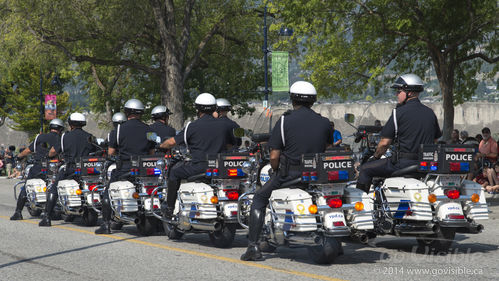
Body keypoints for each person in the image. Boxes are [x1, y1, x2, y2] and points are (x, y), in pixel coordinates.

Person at [240, 81, 333, 261]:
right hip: (316, 174)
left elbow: (274, 156)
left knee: (259, 198)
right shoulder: (324, 122)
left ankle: (253, 247)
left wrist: (276, 171)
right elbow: (327, 147)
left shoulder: (285, 121)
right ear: (313, 100)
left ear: (293, 99)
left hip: (290, 174)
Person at [356, 74, 442, 193]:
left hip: (403, 164)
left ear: (409, 92)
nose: (396, 94)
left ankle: (361, 208)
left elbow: (384, 143)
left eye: (399, 91)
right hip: (425, 164)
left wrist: (375, 157)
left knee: (366, 169)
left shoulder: (398, 113)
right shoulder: (430, 113)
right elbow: (435, 141)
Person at [159, 93, 236, 219]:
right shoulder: (224, 126)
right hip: (220, 167)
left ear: (198, 109)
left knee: (174, 172)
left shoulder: (192, 126)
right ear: (214, 108)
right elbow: (231, 145)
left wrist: (161, 146)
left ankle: (169, 208)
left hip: (199, 167)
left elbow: (172, 142)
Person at [95, 99, 156, 234]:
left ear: (127, 112)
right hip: (145, 168)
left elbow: (111, 152)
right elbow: (152, 153)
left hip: (125, 168)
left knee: (108, 192)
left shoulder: (117, 130)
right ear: (141, 113)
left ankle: (106, 224)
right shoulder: (150, 130)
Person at [39, 113, 96, 227]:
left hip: (71, 168)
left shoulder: (65, 136)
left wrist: (49, 155)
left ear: (70, 124)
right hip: (87, 168)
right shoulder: (90, 136)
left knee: (53, 189)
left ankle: (47, 217)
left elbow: (53, 151)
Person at [10, 119, 64, 220]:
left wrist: (19, 156)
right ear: (60, 129)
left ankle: (18, 212)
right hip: (55, 167)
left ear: (50, 127)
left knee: (26, 187)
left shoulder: (40, 137)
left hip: (39, 167)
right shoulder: (61, 139)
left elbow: (28, 150)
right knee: (55, 187)